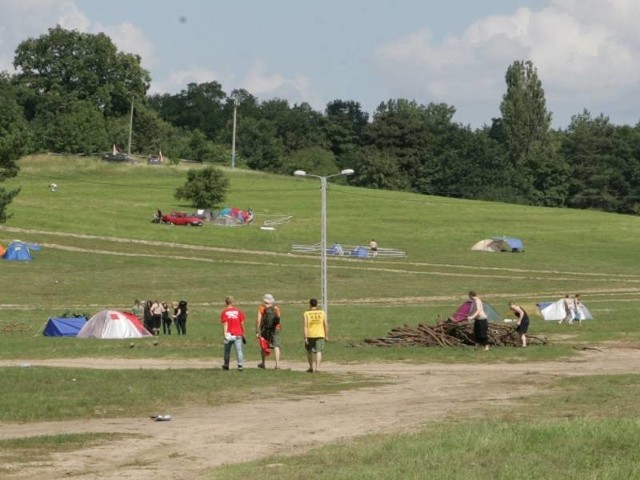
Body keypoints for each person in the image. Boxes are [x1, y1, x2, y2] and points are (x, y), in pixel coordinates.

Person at [256, 293, 281, 369]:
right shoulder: (276, 308)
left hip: (265, 329)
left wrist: (257, 331)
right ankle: (277, 364)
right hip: (275, 329)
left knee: (264, 346)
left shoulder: (261, 308)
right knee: (276, 346)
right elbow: (279, 319)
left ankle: (263, 363)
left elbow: (258, 321)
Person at [303, 298, 329, 373]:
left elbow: (305, 326)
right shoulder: (322, 312)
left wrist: (305, 337)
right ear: (317, 304)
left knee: (309, 351)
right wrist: (326, 335)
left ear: (310, 304)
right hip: (320, 334)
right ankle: (317, 368)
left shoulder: (306, 313)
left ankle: (311, 367)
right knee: (318, 351)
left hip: (310, 334)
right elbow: (326, 324)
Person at [220, 296, 246, 370]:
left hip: (229, 334)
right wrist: (243, 332)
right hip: (238, 333)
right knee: (239, 350)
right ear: (233, 302)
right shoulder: (238, 311)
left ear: (226, 303)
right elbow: (242, 323)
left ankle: (226, 365)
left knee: (227, 350)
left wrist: (225, 334)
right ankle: (240, 365)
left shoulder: (224, 312)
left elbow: (225, 324)